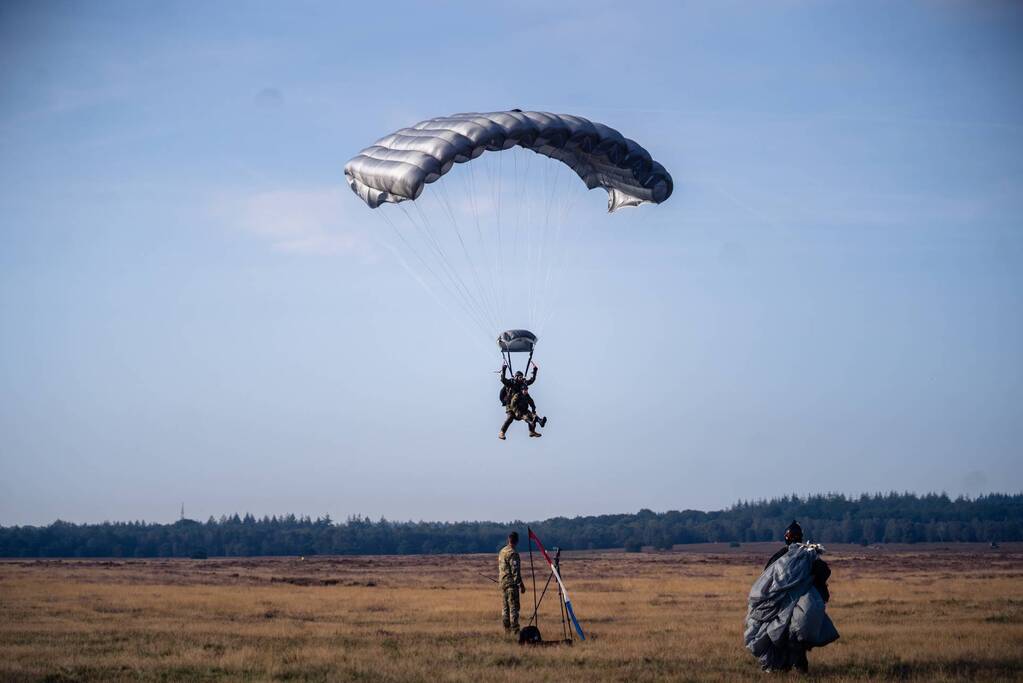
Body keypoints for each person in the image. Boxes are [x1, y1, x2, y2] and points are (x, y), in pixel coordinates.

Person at [746, 520, 836, 674]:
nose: (792, 538)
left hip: (797, 605)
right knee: (786, 636)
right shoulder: (804, 555)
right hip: (783, 605)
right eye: (791, 535)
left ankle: (796, 668)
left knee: (793, 636)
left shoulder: (800, 556)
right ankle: (789, 667)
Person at [498, 531, 526, 635]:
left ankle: (507, 631)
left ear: (508, 539)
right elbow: (515, 571)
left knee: (505, 608)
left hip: (502, 584)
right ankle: (515, 631)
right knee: (513, 608)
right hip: (511, 585)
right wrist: (521, 585)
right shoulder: (513, 553)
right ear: (517, 541)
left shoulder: (502, 551)